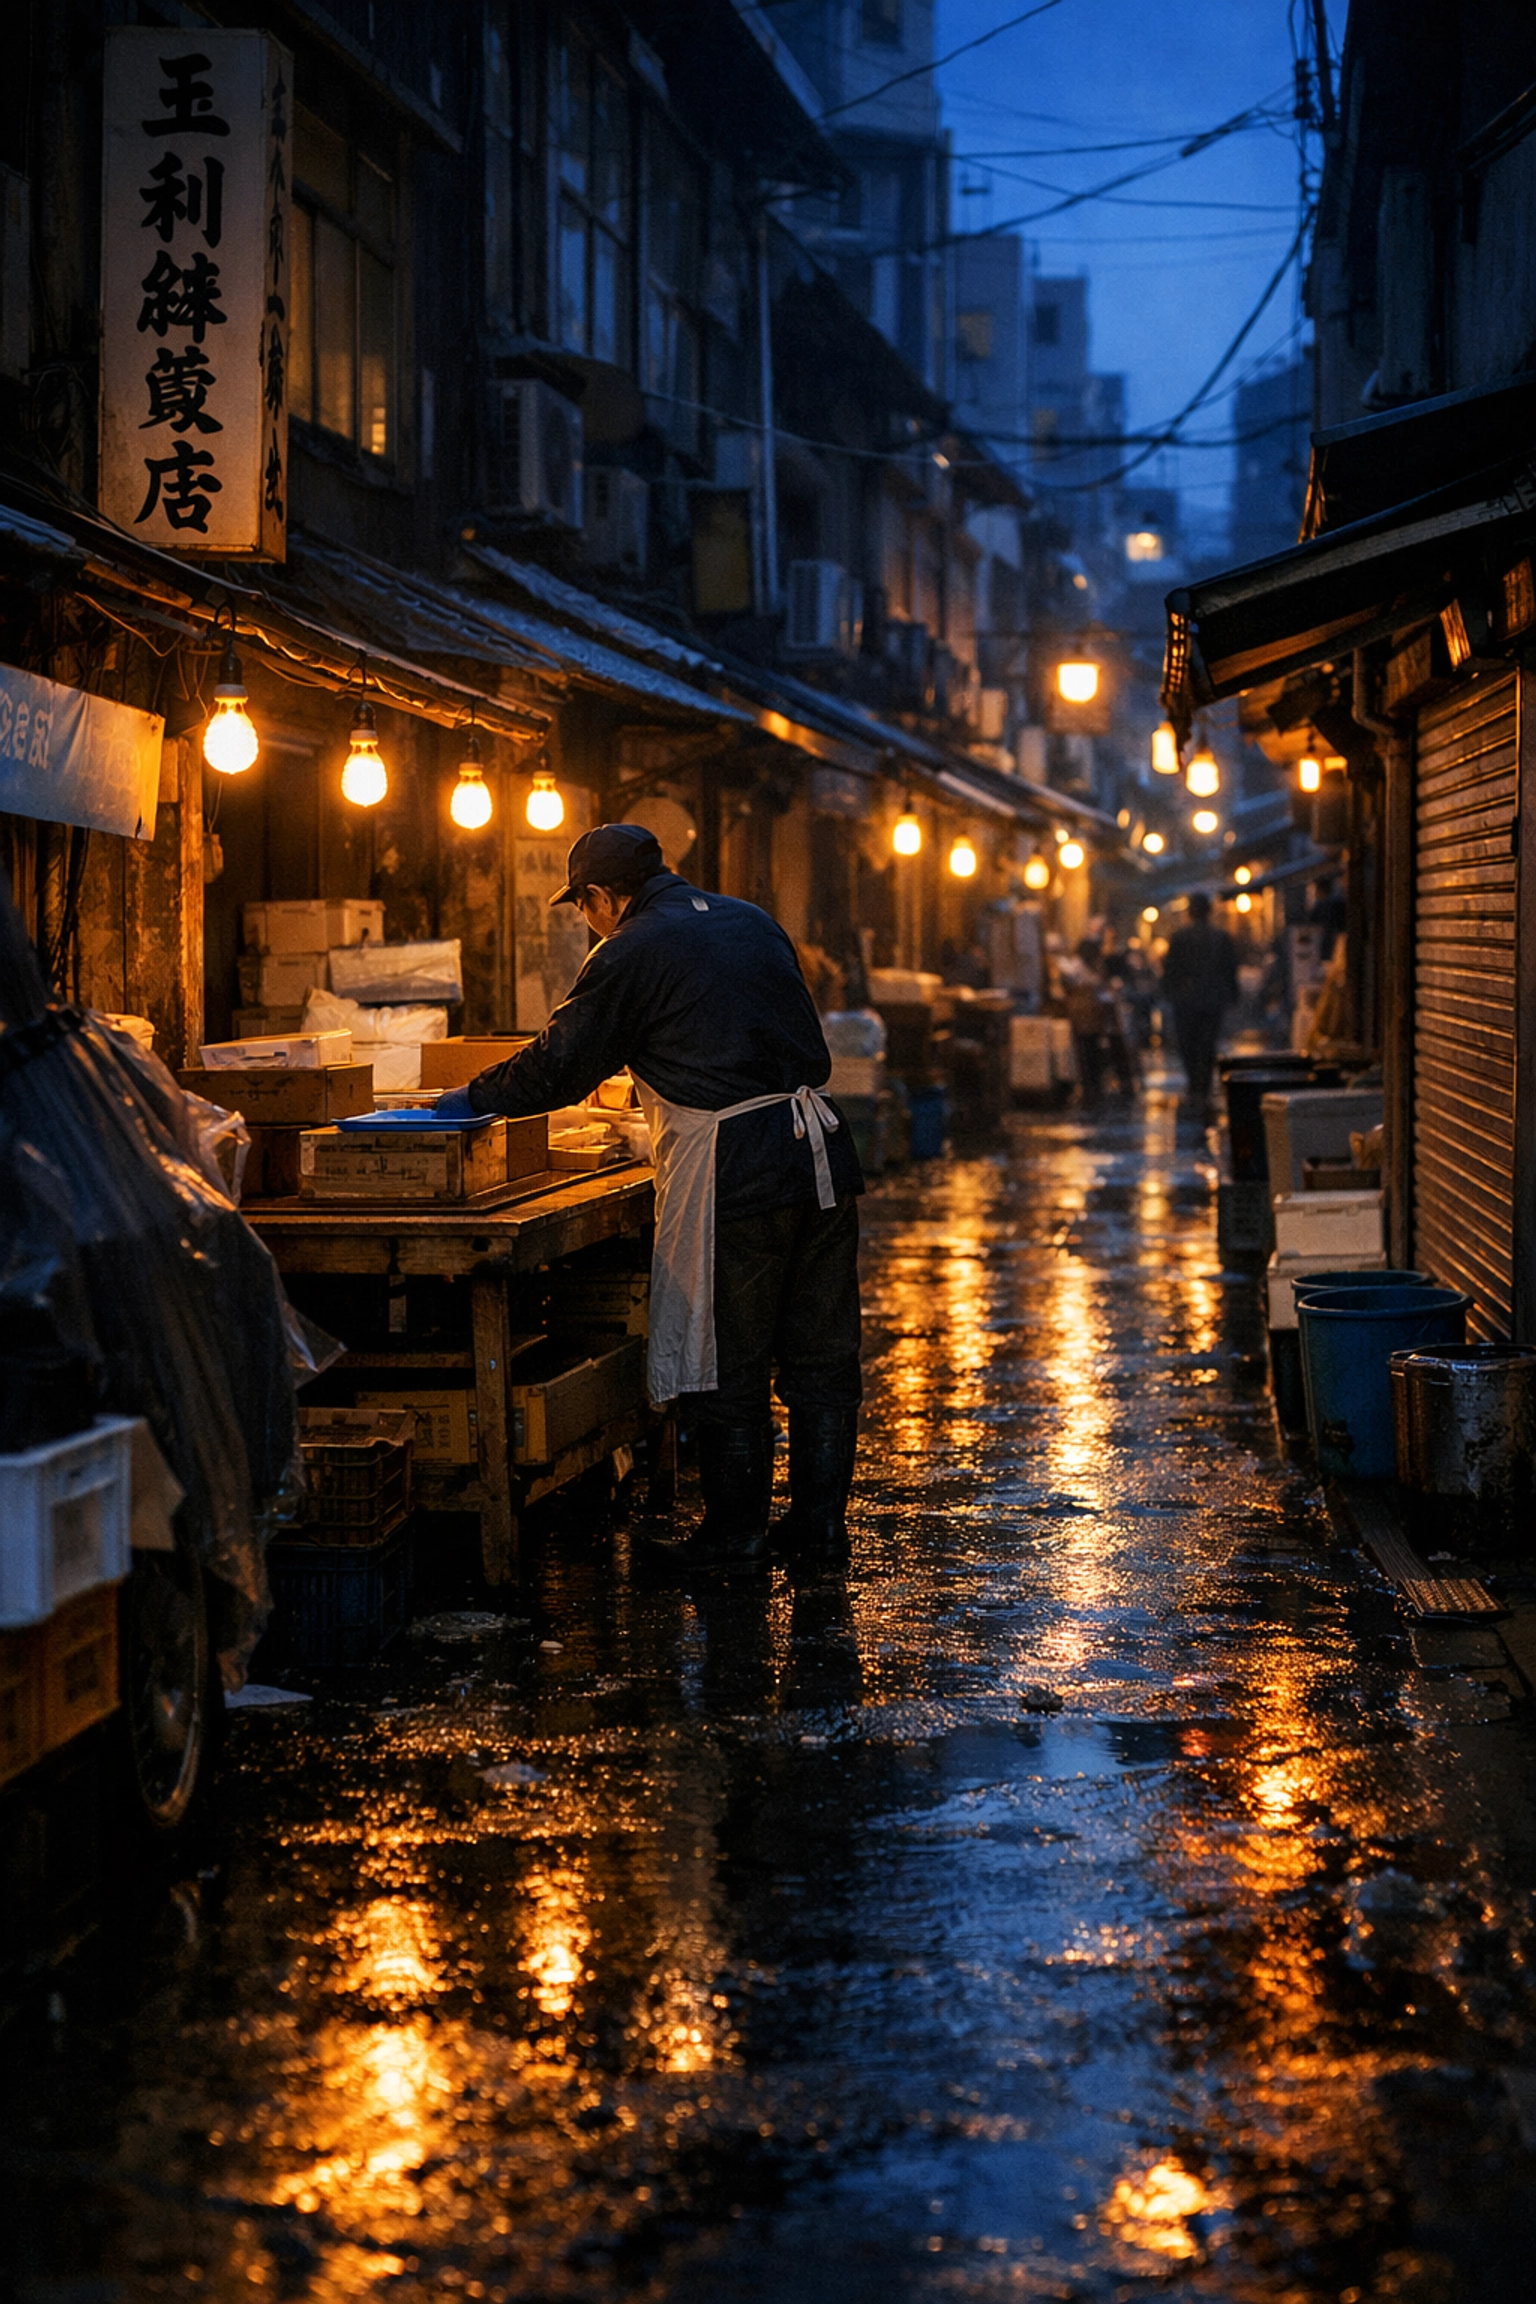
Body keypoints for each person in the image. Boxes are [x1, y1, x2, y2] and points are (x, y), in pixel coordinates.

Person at [433, 823, 864, 1569]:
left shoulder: (629, 948)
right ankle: (820, 1532)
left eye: (583, 906)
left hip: (740, 1171)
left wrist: (457, 1104)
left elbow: (555, 1070)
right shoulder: (750, 920)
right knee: (821, 1363)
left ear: (601, 896)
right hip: (820, 1156)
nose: (587, 919)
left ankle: (735, 1539)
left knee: (729, 1364)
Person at [1160, 891, 1240, 1102]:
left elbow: (1171, 970)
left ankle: (1194, 1083)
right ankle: (1203, 1084)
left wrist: (1169, 993)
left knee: (1188, 1043)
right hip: (1212, 998)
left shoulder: (1180, 937)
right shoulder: (1221, 937)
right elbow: (1230, 969)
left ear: (1190, 912)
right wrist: (1232, 995)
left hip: (1186, 999)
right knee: (1207, 1043)